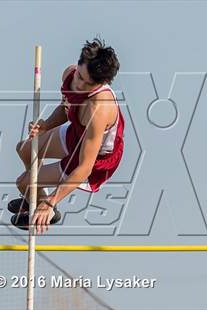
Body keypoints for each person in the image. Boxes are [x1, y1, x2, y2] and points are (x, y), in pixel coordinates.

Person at [9, 37, 125, 234]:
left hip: (94, 158)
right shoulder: (70, 74)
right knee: (25, 149)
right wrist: (46, 125)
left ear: (100, 83)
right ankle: (33, 198)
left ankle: (43, 206)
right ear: (78, 64)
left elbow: (85, 167)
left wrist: (51, 201)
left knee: (23, 182)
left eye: (87, 84)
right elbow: (66, 107)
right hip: (76, 133)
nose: (79, 85)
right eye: (79, 76)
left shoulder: (99, 109)